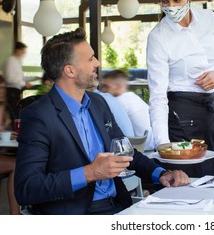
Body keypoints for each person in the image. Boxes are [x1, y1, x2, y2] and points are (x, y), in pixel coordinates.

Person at [14, 28, 189, 215]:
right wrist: (90, 173)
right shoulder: (38, 115)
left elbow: (127, 153)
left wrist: (162, 173)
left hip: (117, 206)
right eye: (90, 59)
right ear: (70, 70)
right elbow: (27, 188)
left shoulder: (97, 103)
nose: (97, 63)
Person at [146, 0, 214, 177]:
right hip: (179, 115)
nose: (170, 7)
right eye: (164, 1)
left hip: (208, 110)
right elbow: (157, 97)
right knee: (185, 184)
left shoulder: (209, 19)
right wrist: (164, 147)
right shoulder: (158, 37)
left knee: (209, 178)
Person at [101, 69, 156, 151]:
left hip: (142, 148)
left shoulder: (119, 101)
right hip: (151, 144)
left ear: (118, 87)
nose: (103, 90)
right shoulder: (132, 97)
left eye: (106, 87)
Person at [2, 42, 37, 123]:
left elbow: (20, 77)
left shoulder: (16, 61)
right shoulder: (10, 61)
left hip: (16, 91)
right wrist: (24, 83)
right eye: (23, 51)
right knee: (14, 114)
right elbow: (9, 79)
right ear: (17, 50)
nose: (23, 54)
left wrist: (34, 78)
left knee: (16, 112)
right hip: (11, 91)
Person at [0, 75, 20, 215]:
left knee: (18, 162)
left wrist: (11, 134)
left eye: (3, 88)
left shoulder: (3, 106)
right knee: (16, 165)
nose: (2, 91)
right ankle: (15, 214)